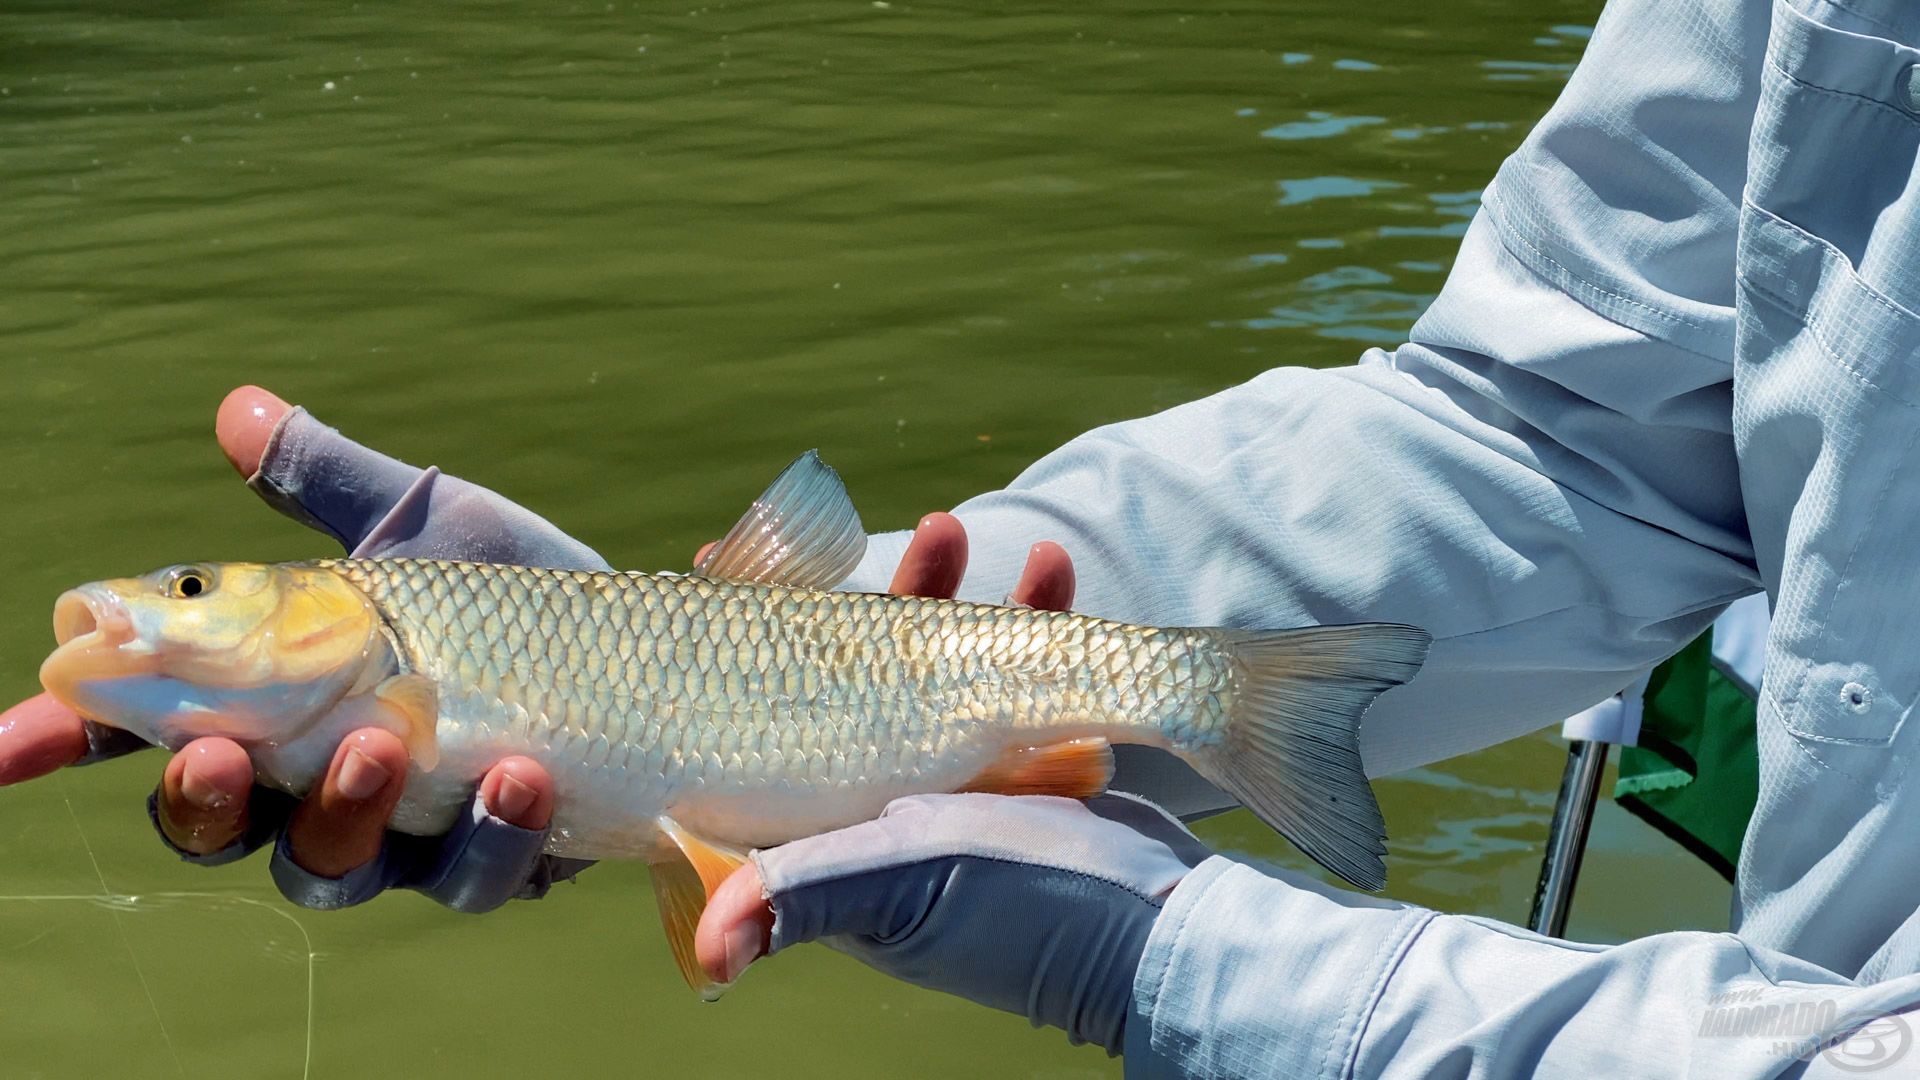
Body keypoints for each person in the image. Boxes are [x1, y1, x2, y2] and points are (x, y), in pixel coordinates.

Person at [9, 0, 1920, 1071]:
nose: (149, 608)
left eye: (185, 593)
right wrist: (944, 643)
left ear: (289, 608)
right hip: (856, 662)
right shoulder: (402, 645)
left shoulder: (404, 633)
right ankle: (1224, 698)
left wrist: (1188, 964)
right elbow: (1570, 426)